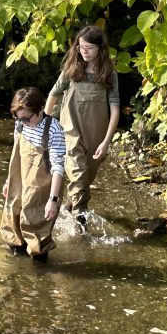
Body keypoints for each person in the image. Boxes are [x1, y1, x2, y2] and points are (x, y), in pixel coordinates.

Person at [44, 24, 120, 231]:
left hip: (96, 135)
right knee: (78, 175)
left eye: (88, 48)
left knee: (84, 180)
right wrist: (46, 125)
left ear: (100, 49)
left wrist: (106, 142)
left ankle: (67, 211)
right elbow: (53, 95)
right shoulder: (71, 71)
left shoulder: (109, 75)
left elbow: (114, 109)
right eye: (80, 47)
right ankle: (81, 226)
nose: (84, 51)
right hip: (69, 133)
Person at [1, 87, 66, 262]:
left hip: (44, 180)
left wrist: (53, 200)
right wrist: (9, 181)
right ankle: (16, 253)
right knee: (13, 209)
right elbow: (16, 153)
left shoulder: (53, 130)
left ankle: (39, 264)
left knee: (35, 217)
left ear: (39, 110)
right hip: (21, 173)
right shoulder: (21, 123)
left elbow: (58, 167)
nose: (22, 122)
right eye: (18, 118)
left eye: (26, 118)